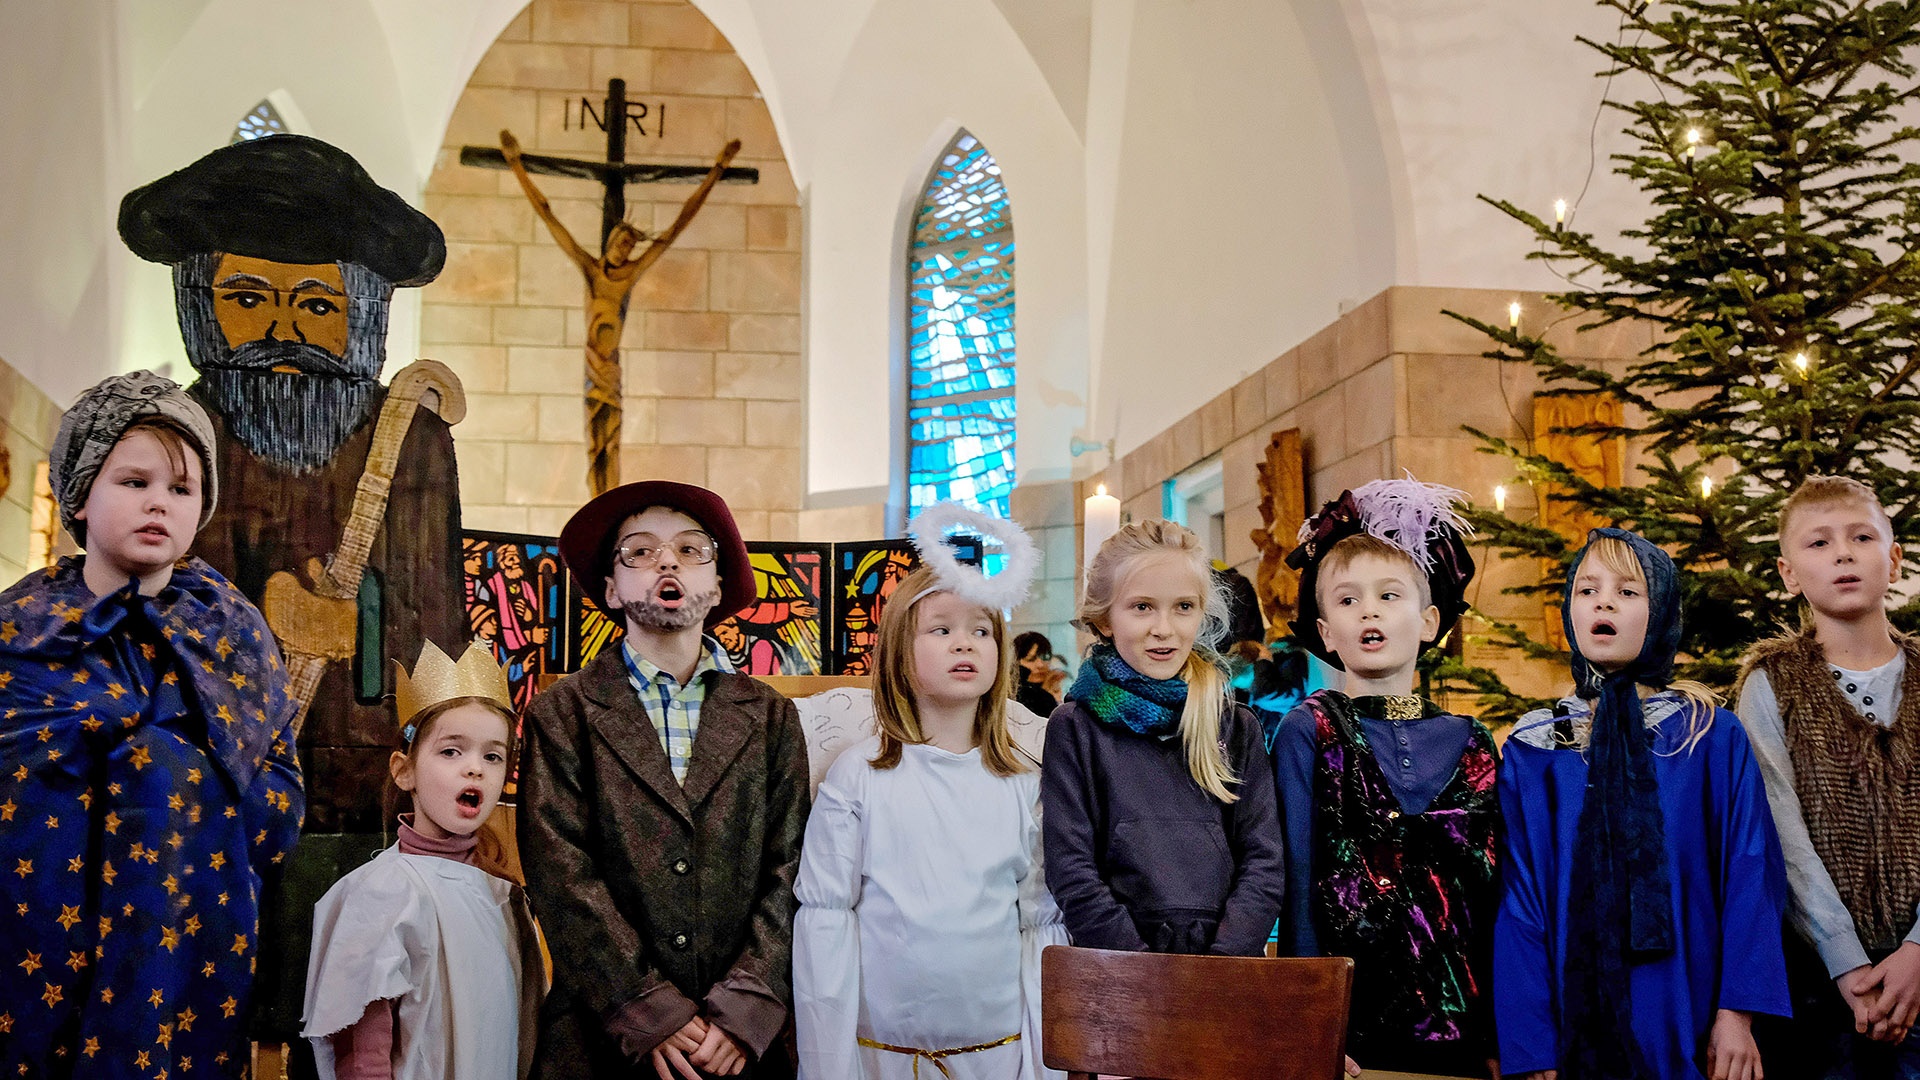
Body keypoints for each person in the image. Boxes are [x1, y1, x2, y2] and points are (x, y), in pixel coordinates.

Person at [0, 371, 305, 1077]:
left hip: (183, 936)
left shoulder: (234, 630)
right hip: (35, 932)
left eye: (180, 488)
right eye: (133, 481)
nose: (157, 504)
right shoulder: (20, 627)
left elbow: (279, 787)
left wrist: (173, 786)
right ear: (79, 494)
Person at [519, 480, 810, 1079]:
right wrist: (648, 1008)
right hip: (604, 1032)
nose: (667, 560)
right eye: (641, 551)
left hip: (737, 1046)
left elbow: (793, 865)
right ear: (611, 588)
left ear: (719, 584)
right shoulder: (563, 712)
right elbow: (561, 873)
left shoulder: (771, 716)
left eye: (691, 549)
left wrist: (746, 1005)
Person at [1495, 528, 1790, 1080]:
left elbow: (1750, 872)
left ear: (1660, 613)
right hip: (1567, 1012)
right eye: (1588, 590)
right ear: (1569, 610)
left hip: (1690, 1002)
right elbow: (1520, 897)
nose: (1604, 601)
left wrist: (1737, 1014)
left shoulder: (1707, 736)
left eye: (1628, 592)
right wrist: (1528, 1039)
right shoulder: (1535, 748)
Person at [794, 548, 1065, 1080]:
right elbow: (825, 923)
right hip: (883, 1056)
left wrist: (1043, 1067)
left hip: (1000, 1053)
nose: (964, 642)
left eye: (981, 631)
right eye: (940, 630)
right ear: (899, 650)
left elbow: (1039, 927)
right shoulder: (858, 778)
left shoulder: (1023, 785)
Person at [1273, 479, 1497, 1079]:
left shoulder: (1473, 742)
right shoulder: (1309, 730)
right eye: (1347, 600)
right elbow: (1296, 883)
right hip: (1352, 1029)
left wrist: (1510, 1031)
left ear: (1429, 622)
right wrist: (1310, 1022)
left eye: (1389, 595)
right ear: (1325, 633)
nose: (1368, 610)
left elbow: (1495, 893)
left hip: (1464, 1023)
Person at [1735, 475, 1920, 1077]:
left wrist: (1918, 950)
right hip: (1821, 986)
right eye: (1819, 543)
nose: (1843, 553)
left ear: (1892, 560)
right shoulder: (1771, 686)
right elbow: (1778, 833)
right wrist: (1847, 963)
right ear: (1789, 574)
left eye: (1861, 537)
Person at [1041, 519, 1285, 956]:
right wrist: (1140, 969)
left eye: (1183, 607)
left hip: (1224, 973)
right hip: (1117, 969)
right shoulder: (1075, 727)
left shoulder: (1236, 727)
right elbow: (1072, 868)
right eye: (1142, 607)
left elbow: (1264, 863)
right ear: (1105, 619)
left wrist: (1224, 960)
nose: (1164, 628)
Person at [302, 641, 543, 1080]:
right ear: (404, 770)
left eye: (492, 755)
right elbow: (362, 1056)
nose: (475, 769)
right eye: (451, 750)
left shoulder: (505, 894)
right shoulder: (380, 893)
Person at [1012, 630, 1065, 717]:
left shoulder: (1059, 683)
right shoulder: (1013, 694)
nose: (1040, 665)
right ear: (1016, 662)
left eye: (1045, 658)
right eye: (1031, 659)